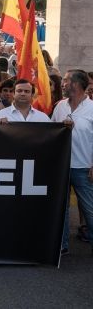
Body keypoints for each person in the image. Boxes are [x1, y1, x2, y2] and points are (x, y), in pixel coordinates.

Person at [51, 69, 93, 254]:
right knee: (62, 208)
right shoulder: (60, 106)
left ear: (76, 84)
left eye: (66, 80)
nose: (62, 83)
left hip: (84, 168)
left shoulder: (92, 108)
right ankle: (62, 245)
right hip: (61, 166)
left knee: (89, 209)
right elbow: (51, 131)